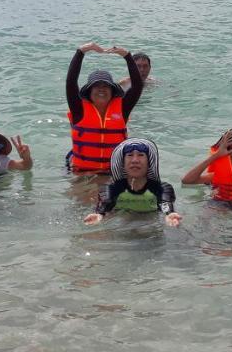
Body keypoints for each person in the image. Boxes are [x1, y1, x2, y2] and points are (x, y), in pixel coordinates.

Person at [66, 42, 144, 172]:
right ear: (89, 92)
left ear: (113, 92)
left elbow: (137, 86)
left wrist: (127, 56)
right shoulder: (78, 110)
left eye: (106, 86)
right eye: (97, 86)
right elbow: (70, 82)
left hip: (112, 173)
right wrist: (80, 52)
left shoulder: (122, 109)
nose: (101, 89)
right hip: (82, 173)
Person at [83, 139, 181, 227]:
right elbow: (105, 204)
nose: (135, 160)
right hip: (120, 228)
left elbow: (165, 203)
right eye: (130, 155)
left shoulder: (163, 188)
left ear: (150, 162)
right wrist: (99, 214)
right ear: (122, 163)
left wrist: (170, 214)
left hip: (150, 228)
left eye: (141, 155)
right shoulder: (109, 188)